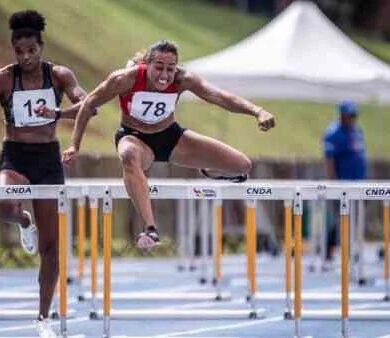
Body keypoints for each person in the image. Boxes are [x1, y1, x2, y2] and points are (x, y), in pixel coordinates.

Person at [63, 39, 275, 249]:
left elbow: (220, 97)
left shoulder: (184, 79)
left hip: (171, 138)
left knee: (243, 165)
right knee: (128, 154)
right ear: (146, 65)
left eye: (170, 69)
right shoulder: (124, 79)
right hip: (135, 138)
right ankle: (151, 228)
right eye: (158, 68)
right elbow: (89, 103)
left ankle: (210, 171)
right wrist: (74, 144)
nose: (164, 76)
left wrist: (257, 111)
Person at [0, 10, 87, 337]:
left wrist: (59, 112)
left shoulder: (60, 75)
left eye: (31, 51)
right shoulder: (6, 79)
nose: (25, 57)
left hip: (48, 160)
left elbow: (87, 103)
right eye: (19, 52)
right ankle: (23, 220)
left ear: (42, 47)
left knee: (51, 247)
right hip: (15, 156)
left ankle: (42, 318)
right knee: (4, 206)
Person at [322, 100, 367, 263]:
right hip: (341, 184)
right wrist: (332, 183)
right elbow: (329, 160)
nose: (353, 119)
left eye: (355, 115)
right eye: (350, 115)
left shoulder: (356, 131)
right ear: (342, 115)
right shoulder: (333, 133)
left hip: (358, 183)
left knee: (355, 220)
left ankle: (351, 251)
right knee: (338, 220)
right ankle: (329, 252)